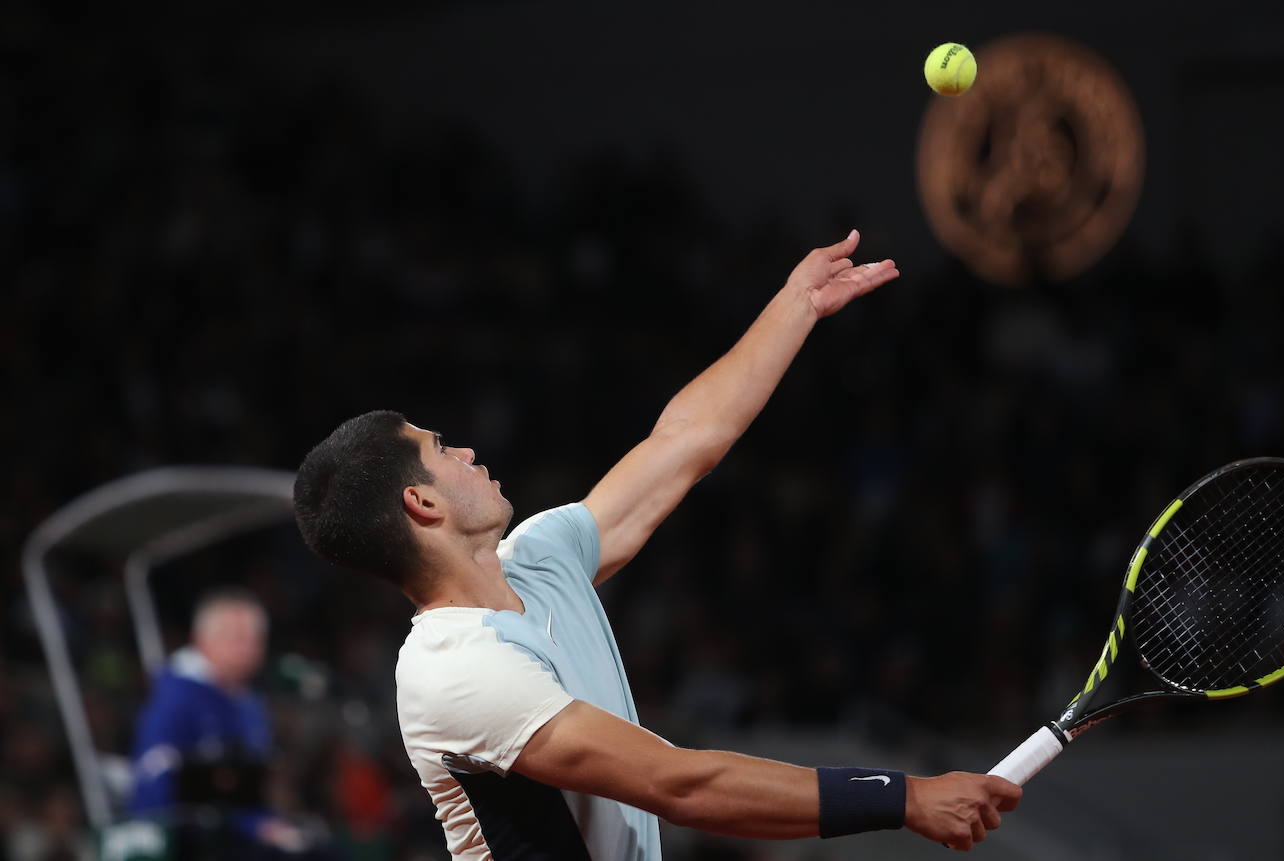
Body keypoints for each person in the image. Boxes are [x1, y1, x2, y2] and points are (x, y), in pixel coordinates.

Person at [293, 230, 1021, 859]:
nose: (468, 450)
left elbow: (683, 442)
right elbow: (681, 783)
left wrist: (796, 304)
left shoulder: (542, 554)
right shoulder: (453, 672)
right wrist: (904, 797)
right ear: (421, 503)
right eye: (441, 447)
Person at [127, 589, 309, 858]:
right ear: (202, 641)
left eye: (255, 639)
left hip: (243, 832)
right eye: (237, 638)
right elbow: (156, 784)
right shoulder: (175, 696)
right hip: (188, 840)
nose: (248, 648)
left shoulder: (250, 703)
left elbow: (255, 785)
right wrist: (250, 826)